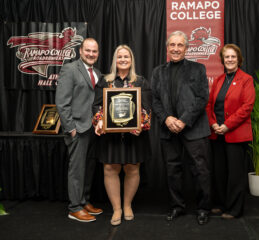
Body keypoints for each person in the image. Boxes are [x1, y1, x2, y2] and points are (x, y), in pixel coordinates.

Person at [151, 31, 211, 225]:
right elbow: (155, 99)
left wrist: (183, 120)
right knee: (172, 170)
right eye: (172, 45)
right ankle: (177, 206)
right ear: (167, 48)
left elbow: (202, 97)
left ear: (187, 48)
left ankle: (203, 208)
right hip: (168, 129)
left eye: (180, 45)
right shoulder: (158, 71)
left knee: (200, 170)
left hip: (194, 128)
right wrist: (167, 118)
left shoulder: (198, 69)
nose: (175, 49)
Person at [92, 45, 151, 226]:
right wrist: (100, 121)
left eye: (126, 56)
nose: (123, 59)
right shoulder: (104, 81)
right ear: (114, 60)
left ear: (131, 60)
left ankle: (127, 205)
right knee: (110, 169)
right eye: (120, 57)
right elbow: (96, 106)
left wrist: (141, 123)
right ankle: (116, 208)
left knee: (132, 169)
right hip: (111, 136)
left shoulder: (141, 82)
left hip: (134, 136)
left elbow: (147, 108)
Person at [56, 38, 103, 222]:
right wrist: (71, 129)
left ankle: (84, 201)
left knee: (88, 167)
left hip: (93, 129)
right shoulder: (70, 69)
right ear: (80, 51)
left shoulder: (98, 73)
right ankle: (74, 207)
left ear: (98, 53)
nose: (91, 54)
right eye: (88, 50)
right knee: (76, 169)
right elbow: (62, 102)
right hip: (77, 129)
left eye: (94, 51)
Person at [206, 44, 255, 219]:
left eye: (233, 56)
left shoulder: (246, 79)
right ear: (222, 60)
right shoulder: (219, 80)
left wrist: (227, 125)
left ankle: (234, 209)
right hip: (216, 133)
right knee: (219, 172)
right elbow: (209, 105)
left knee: (235, 174)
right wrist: (213, 124)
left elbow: (247, 107)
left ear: (238, 59)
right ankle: (220, 204)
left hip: (235, 134)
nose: (230, 60)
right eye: (227, 57)